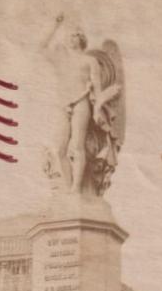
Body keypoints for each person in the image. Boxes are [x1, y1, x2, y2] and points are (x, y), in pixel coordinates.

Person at [41, 14, 122, 194]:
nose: (71, 38)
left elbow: (98, 91)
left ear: (82, 38)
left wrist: (102, 103)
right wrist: (55, 24)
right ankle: (69, 187)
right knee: (59, 149)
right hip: (63, 103)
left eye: (75, 35)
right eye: (69, 35)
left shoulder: (90, 61)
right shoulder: (61, 58)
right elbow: (42, 47)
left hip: (81, 101)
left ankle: (75, 189)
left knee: (77, 146)